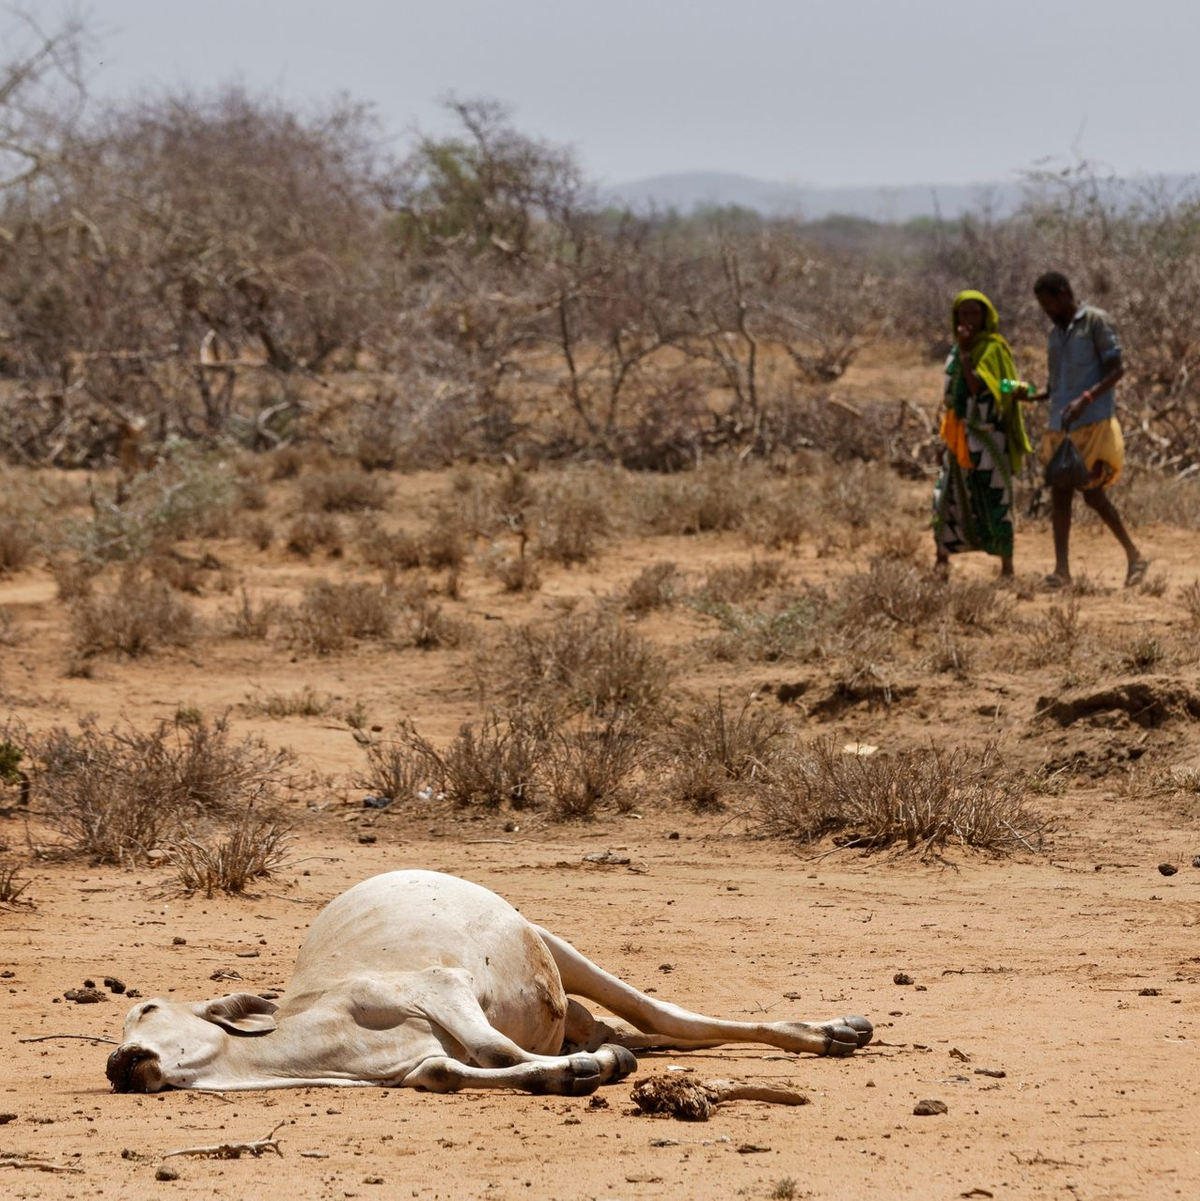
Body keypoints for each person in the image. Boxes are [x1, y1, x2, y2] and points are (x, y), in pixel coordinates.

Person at [1029, 272, 1148, 588]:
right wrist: (1032, 396)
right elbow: (1055, 385)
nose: (1047, 310)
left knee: (1093, 495)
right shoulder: (1055, 334)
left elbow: (1116, 369)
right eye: (1043, 306)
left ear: (1065, 293)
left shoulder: (1096, 322)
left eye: (1049, 303)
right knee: (1060, 495)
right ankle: (1062, 570)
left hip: (1092, 423)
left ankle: (1134, 555)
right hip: (1061, 425)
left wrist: (1086, 398)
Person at [933, 290, 1031, 578]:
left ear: (986, 316)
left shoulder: (992, 349)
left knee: (994, 498)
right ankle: (941, 562)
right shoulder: (954, 352)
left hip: (989, 440)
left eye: (974, 313)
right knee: (947, 499)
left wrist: (966, 353)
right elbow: (952, 397)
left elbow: (985, 388)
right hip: (959, 437)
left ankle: (1006, 567)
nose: (969, 320)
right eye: (963, 314)